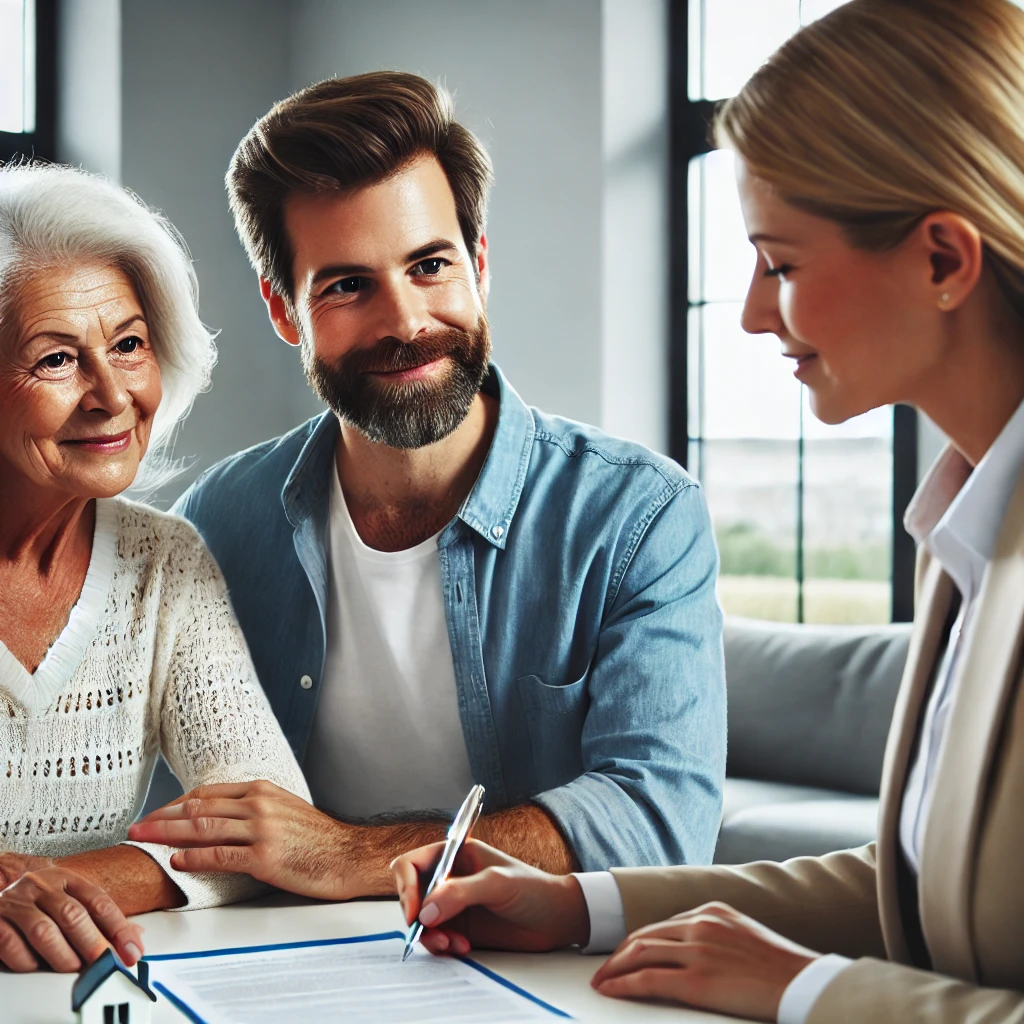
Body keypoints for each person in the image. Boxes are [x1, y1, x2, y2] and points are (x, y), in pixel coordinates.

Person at [390, 0, 1024, 1020]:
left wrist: (807, 991)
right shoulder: (962, 528)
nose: (749, 310)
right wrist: (573, 904)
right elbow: (920, 885)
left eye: (780, 264)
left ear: (943, 260)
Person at [126, 72, 726, 895]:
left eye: (430, 265)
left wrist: (340, 853)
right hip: (275, 972)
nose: (405, 323)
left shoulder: (637, 519)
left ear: (478, 264)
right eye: (346, 285)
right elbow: (179, 827)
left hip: (541, 984)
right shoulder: (219, 525)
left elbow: (658, 823)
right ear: (283, 309)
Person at [0, 164, 310, 974]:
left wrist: (49, 888)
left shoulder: (164, 564)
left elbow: (269, 824)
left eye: (129, 345)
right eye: (57, 359)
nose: (111, 394)